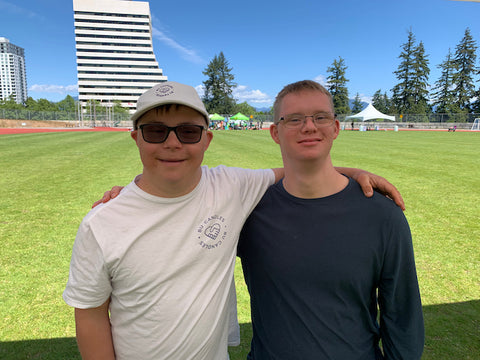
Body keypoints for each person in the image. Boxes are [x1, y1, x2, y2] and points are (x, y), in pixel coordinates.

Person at [65, 81, 404, 360]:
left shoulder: (230, 186)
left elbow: (300, 170)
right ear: (136, 137)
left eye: (188, 132)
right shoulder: (101, 223)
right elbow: (91, 314)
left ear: (206, 139)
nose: (172, 143)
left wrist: (355, 172)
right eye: (155, 132)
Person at [237, 80, 424, 359]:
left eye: (320, 117)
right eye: (294, 119)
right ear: (275, 132)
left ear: (335, 128)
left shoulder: (382, 216)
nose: (309, 127)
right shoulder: (249, 213)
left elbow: (403, 317)